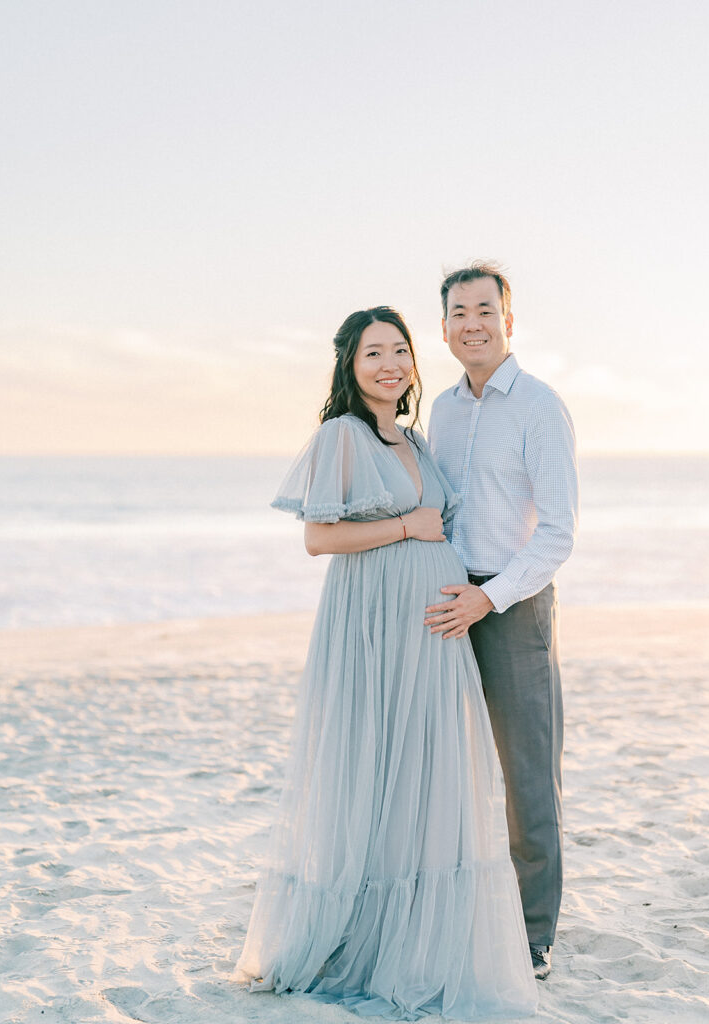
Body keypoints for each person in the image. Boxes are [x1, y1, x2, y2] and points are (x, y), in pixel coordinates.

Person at [234, 306, 537, 1020]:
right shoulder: (339, 436)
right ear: (349, 364)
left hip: (433, 632)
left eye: (400, 351)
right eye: (373, 353)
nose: (390, 365)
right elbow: (317, 539)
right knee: (371, 771)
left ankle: (419, 937)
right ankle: (358, 937)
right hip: (373, 627)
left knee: (423, 776)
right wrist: (407, 526)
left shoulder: (414, 436)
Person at [426, 263, 578, 981]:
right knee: (449, 769)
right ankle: (459, 914)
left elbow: (556, 532)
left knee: (526, 777)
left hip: (513, 606)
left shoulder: (539, 406)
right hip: (447, 603)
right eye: (458, 312)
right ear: (446, 325)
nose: (471, 323)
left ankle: (531, 939)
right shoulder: (445, 410)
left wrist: (492, 596)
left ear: (507, 322)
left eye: (484, 309)